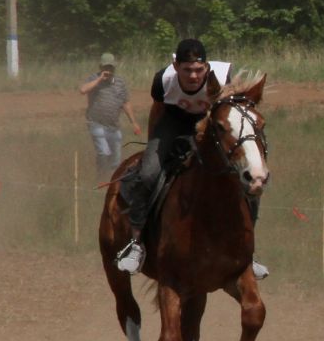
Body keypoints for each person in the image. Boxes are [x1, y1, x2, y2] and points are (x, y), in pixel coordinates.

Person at [113, 37, 266, 280]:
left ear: (206, 67)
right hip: (172, 123)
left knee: (247, 178)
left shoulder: (223, 75)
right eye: (187, 70)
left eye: (198, 70)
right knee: (149, 172)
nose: (193, 76)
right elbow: (158, 111)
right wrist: (155, 147)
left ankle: (247, 251)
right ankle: (136, 243)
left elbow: (232, 110)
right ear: (176, 67)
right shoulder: (163, 81)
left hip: (212, 125)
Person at [79, 52, 142, 181]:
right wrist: (99, 79)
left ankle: (112, 183)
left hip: (114, 126)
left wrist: (133, 122)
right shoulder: (94, 79)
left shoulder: (119, 82)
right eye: (105, 67)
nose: (108, 70)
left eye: (111, 67)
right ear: (100, 67)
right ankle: (101, 178)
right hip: (96, 123)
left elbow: (125, 103)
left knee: (116, 160)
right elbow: (83, 90)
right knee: (104, 152)